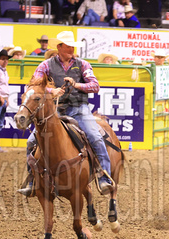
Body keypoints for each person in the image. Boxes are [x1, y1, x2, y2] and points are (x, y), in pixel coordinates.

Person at [18, 31, 113, 196]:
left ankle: (104, 176)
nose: (71, 49)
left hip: (79, 108)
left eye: (72, 46)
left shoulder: (83, 65)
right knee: (31, 142)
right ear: (59, 47)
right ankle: (33, 180)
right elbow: (32, 86)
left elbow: (95, 85)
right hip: (56, 111)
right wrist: (50, 90)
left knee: (95, 136)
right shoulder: (46, 65)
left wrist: (77, 85)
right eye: (68, 46)